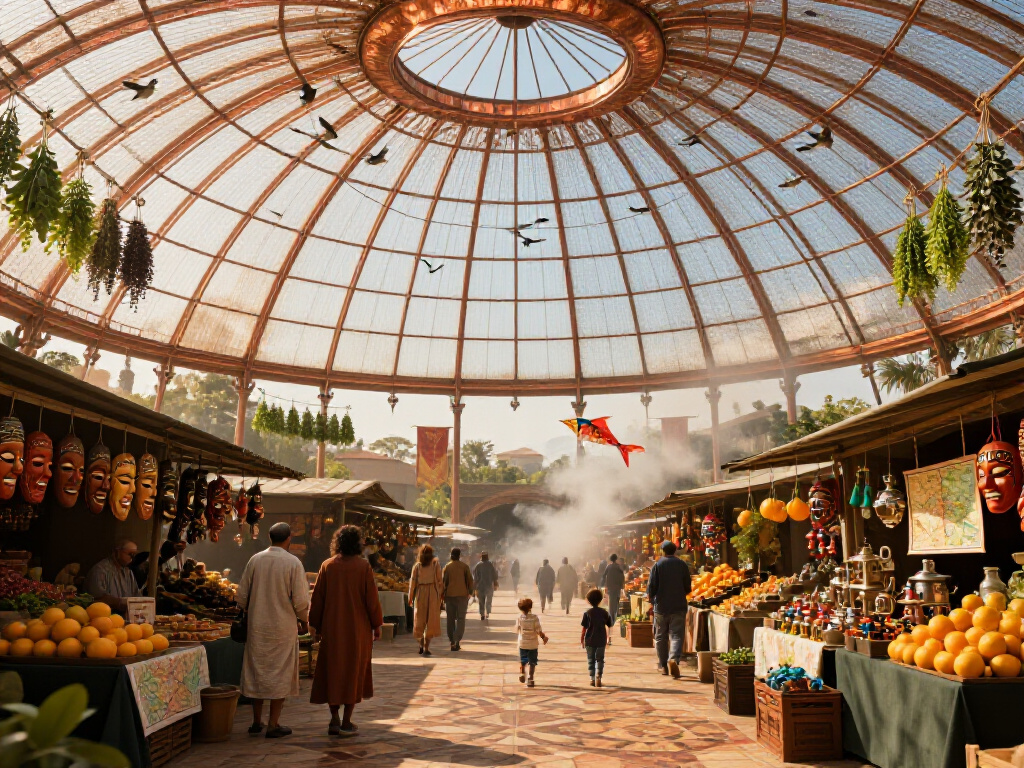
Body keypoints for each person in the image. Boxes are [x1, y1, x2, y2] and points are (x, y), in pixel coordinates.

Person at [235, 522, 310, 738]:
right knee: (280, 672)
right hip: (282, 627)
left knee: (257, 671)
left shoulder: (255, 560)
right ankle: (274, 724)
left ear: (270, 537)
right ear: (289, 539)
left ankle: (256, 721)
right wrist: (305, 621)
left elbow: (241, 596)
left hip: (257, 626)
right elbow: (301, 601)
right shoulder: (293, 563)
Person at [308, 525, 383, 737]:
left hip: (332, 629)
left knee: (332, 671)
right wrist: (377, 624)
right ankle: (347, 721)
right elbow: (372, 600)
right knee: (353, 672)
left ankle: (334, 719)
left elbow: (317, 599)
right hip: (357, 631)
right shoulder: (363, 567)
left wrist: (314, 625)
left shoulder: (327, 566)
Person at [646, 540, 692, 679]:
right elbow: (687, 587)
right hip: (678, 605)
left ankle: (663, 666)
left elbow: (651, 587)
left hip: (661, 606)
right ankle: (674, 659)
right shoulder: (682, 564)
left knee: (660, 636)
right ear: (675, 551)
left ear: (663, 551)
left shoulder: (657, 565)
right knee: (676, 635)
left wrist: (651, 601)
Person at [85, 539, 142, 613]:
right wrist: (119, 602)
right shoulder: (100, 570)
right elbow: (97, 598)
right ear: (117, 552)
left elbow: (137, 596)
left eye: (134, 555)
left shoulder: (128, 572)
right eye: (130, 554)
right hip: (104, 617)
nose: (132, 558)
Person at [408, 544, 442, 656]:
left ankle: (421, 645)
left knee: (420, 619)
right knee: (430, 621)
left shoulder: (417, 566)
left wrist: (410, 596)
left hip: (420, 593)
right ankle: (426, 647)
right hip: (432, 593)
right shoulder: (435, 564)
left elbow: (412, 583)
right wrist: (441, 596)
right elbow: (440, 581)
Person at [441, 547, 473, 651]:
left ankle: (452, 641)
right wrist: (470, 592)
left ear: (451, 555)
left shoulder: (447, 567)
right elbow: (470, 581)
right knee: (461, 618)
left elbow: (444, 582)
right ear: (460, 555)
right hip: (462, 596)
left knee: (450, 619)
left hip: (449, 596)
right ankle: (456, 640)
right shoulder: (464, 567)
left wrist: (442, 595)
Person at [580, 588, 613, 687]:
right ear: (600, 600)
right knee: (600, 659)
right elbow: (609, 626)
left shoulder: (587, 613)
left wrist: (582, 639)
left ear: (589, 600)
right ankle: (599, 675)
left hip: (589, 640)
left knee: (591, 659)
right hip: (601, 639)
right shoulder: (604, 613)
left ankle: (592, 678)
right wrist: (609, 638)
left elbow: (584, 629)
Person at [516, 597, 548, 688]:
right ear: (530, 607)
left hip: (522, 643)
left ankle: (522, 673)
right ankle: (530, 678)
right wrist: (543, 637)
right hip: (533, 644)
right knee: (532, 662)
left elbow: (517, 629)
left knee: (523, 660)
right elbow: (538, 630)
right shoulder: (535, 618)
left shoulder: (519, 618)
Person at [601, 553, 626, 630]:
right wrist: (622, 586)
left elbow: (604, 575)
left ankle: (612, 619)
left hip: (611, 588)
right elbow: (622, 576)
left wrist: (603, 584)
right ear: (616, 559)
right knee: (616, 603)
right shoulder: (618, 567)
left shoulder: (609, 567)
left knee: (611, 604)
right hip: (617, 588)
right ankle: (613, 619)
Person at [472, 552, 499, 620]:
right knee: (489, 600)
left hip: (480, 586)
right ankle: (488, 613)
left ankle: (482, 614)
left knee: (481, 601)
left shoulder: (478, 565)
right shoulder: (490, 564)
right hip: (489, 585)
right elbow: (495, 575)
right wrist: (495, 583)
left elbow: (475, 577)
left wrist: (474, 587)